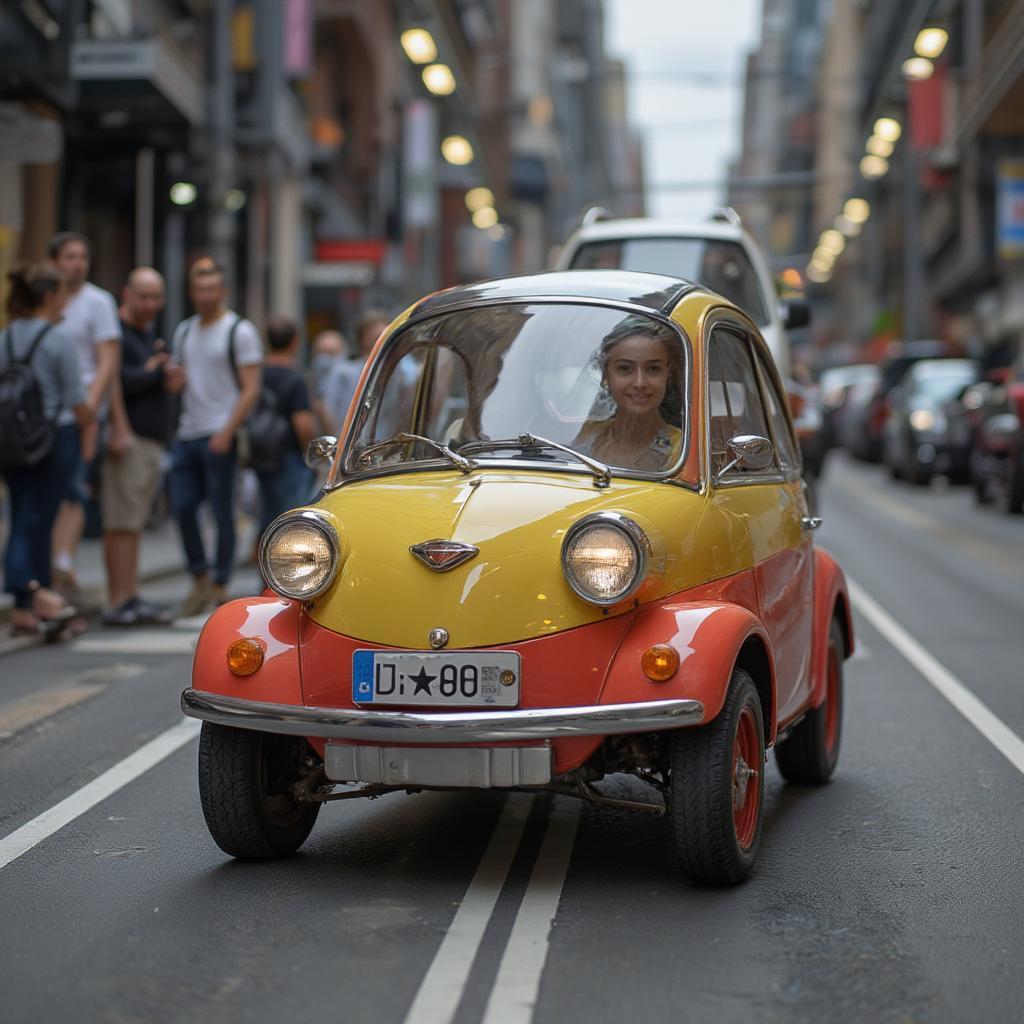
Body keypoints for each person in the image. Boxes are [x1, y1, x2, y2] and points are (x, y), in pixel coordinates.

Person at [0, 261, 92, 633]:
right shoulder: (57, 340)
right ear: (50, 296)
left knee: (21, 512)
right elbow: (77, 401)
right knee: (37, 519)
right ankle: (37, 592)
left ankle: (26, 607)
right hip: (53, 440)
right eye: (62, 296)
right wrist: (90, 421)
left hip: (10, 440)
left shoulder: (4, 338)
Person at [169, 259, 262, 616]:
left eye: (212, 289)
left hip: (219, 432)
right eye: (199, 289)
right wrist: (173, 382)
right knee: (181, 507)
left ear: (223, 291)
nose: (206, 296)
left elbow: (251, 388)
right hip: (187, 431)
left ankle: (220, 583)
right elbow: (180, 379)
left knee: (222, 511)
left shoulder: (238, 330)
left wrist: (227, 431)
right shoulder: (184, 330)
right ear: (192, 292)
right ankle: (199, 575)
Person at [100, 267, 184, 625]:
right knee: (121, 521)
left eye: (155, 297)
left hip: (150, 440)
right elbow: (115, 382)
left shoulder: (147, 332)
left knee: (132, 523)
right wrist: (153, 373)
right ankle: (119, 600)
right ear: (127, 294)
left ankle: (129, 595)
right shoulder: (116, 331)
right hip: (129, 439)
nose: (150, 304)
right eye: (143, 296)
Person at [47, 231, 127, 597]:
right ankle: (50, 563)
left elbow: (107, 359)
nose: (76, 263)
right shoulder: (45, 299)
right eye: (69, 256)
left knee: (76, 487)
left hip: (83, 413)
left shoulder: (98, 302)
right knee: (45, 489)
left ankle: (63, 560)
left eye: (82, 256)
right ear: (55, 261)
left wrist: (92, 407)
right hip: (43, 413)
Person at [573, 316, 683, 471]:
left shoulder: (682, 450)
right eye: (625, 369)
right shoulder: (585, 433)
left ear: (668, 373)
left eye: (653, 369)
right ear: (606, 375)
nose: (640, 383)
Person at [254, 315, 317, 534]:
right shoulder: (295, 378)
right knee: (291, 520)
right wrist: (310, 455)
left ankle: (262, 560)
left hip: (260, 453)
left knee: (267, 513)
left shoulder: (257, 375)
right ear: (294, 341)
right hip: (289, 454)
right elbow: (302, 422)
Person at [321, 310, 391, 435]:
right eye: (376, 337)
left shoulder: (401, 369)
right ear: (363, 337)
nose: (382, 340)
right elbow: (330, 409)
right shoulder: (343, 371)